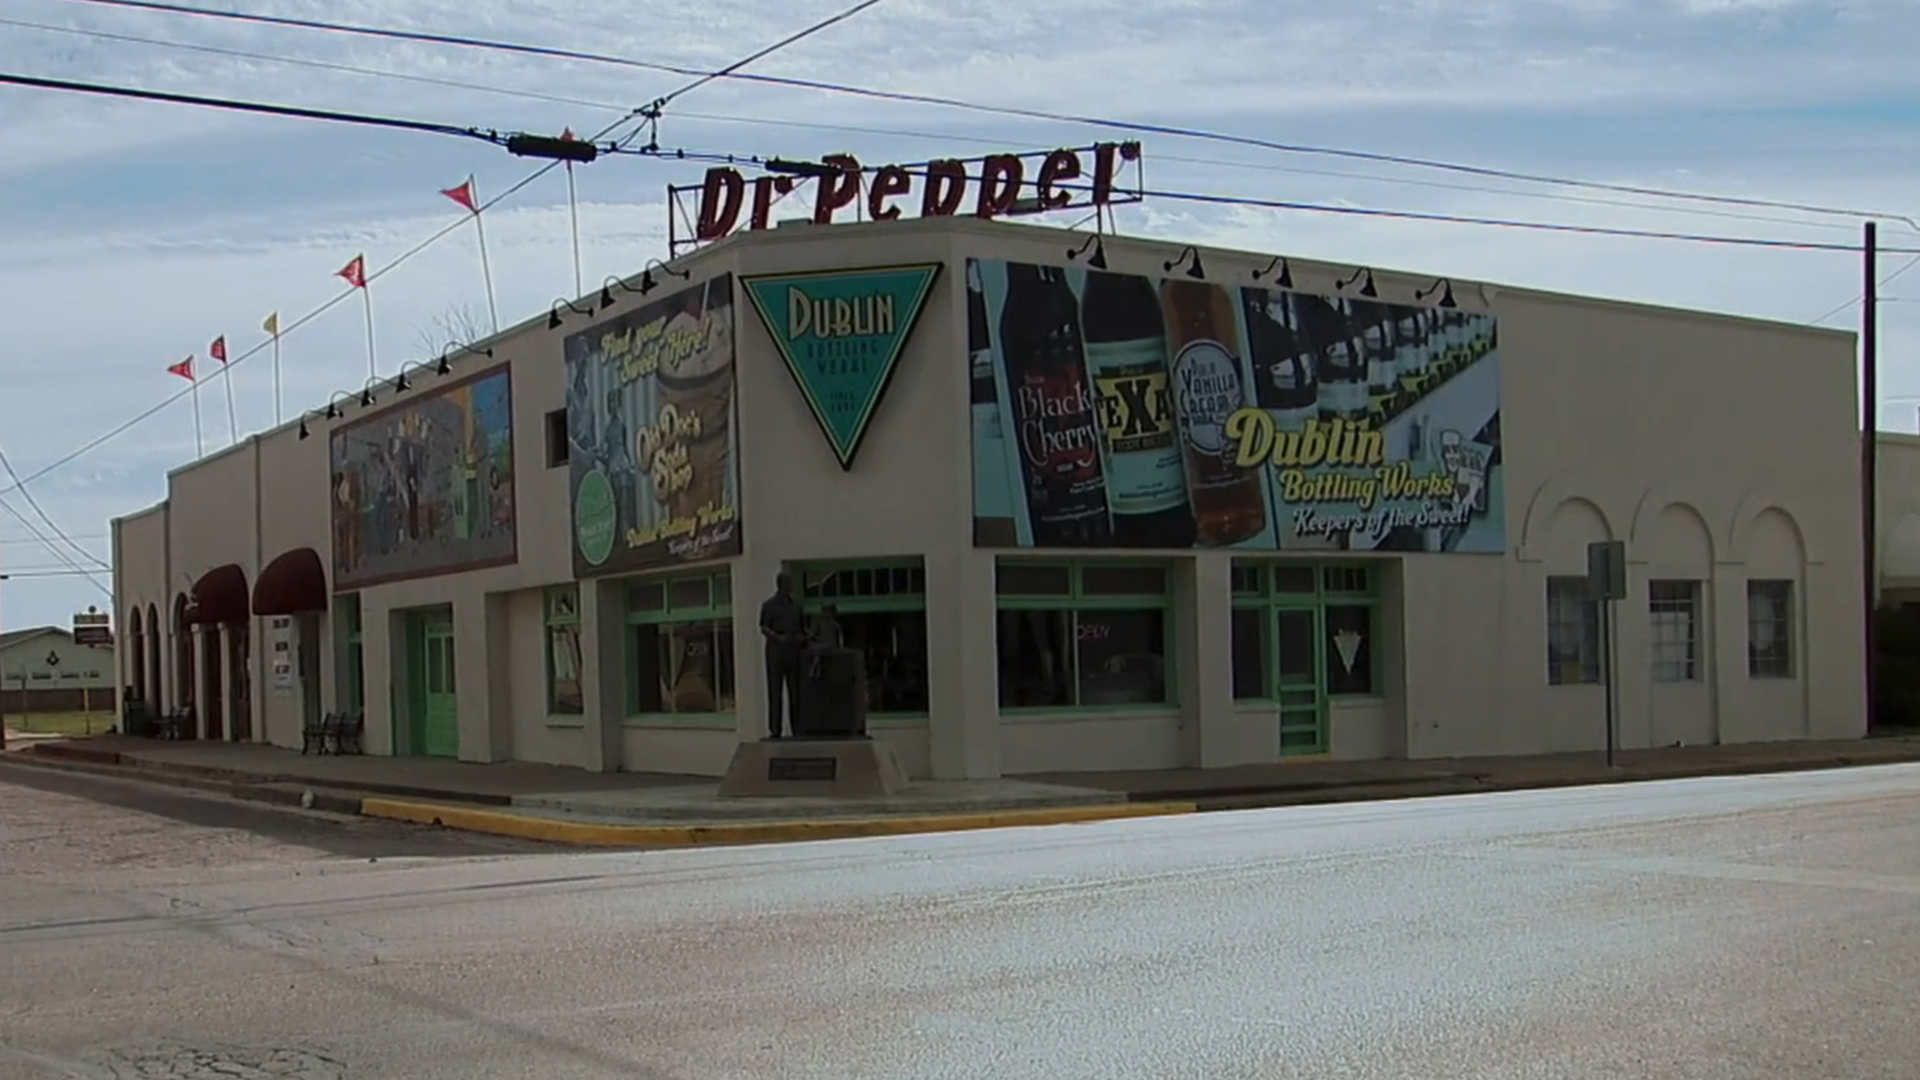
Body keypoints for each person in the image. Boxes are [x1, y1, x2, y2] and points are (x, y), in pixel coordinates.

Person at [758, 572, 806, 738]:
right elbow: (763, 627)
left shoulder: (796, 606)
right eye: (789, 582)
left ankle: (797, 729)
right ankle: (775, 729)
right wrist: (778, 637)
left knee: (796, 692)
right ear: (781, 584)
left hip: (793, 651)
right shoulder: (769, 605)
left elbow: (802, 627)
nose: (791, 586)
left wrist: (801, 637)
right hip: (776, 652)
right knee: (775, 692)